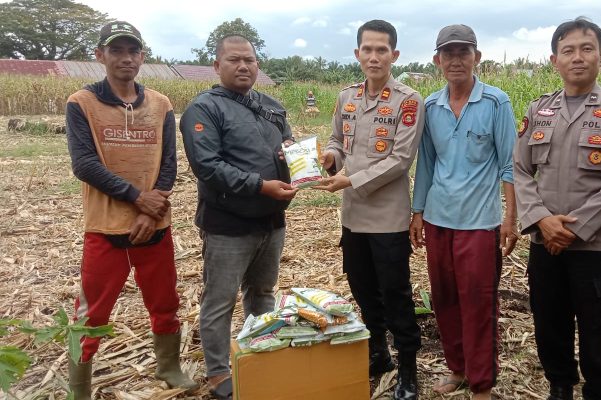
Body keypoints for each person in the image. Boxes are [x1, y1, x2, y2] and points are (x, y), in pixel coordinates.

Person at [65, 21, 198, 399]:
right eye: (117, 51)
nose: (126, 58)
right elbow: (85, 165)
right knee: (91, 312)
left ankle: (169, 366)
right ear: (100, 55)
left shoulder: (159, 104)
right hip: (106, 227)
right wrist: (137, 198)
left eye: (132, 51)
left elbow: (168, 162)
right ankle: (80, 388)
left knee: (165, 300)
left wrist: (151, 209)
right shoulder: (82, 103)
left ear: (142, 56)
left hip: (154, 224)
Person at [514, 17, 601, 400]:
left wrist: (571, 228)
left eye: (587, 49)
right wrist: (541, 219)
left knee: (597, 331)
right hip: (545, 245)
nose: (578, 57)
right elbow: (520, 169)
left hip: (596, 248)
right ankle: (560, 386)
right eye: (567, 50)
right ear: (554, 60)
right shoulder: (539, 110)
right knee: (549, 323)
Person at [179, 35, 298, 400]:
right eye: (234, 60)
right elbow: (208, 166)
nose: (244, 66)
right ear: (217, 66)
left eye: (250, 59)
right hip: (228, 223)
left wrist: (299, 158)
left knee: (262, 292)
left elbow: (288, 144)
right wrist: (261, 186)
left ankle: (258, 351)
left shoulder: (271, 105)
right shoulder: (204, 109)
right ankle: (218, 371)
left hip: (271, 221)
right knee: (220, 299)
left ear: (257, 64)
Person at [315, 19, 424, 400]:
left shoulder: (408, 100)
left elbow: (399, 159)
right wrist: (330, 158)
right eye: (368, 49)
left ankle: (408, 366)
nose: (374, 56)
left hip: (388, 218)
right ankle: (379, 351)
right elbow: (336, 141)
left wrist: (349, 179)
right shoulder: (347, 97)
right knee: (361, 287)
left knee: (395, 292)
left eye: (382, 50)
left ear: (394, 55)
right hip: (353, 217)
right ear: (357, 53)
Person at [409, 24, 518, 400]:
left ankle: (482, 382)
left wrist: (511, 219)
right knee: (445, 298)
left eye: (464, 52)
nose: (456, 60)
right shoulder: (431, 106)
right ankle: (457, 368)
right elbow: (426, 163)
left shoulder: (495, 102)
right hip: (439, 219)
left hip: (480, 223)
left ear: (477, 57)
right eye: (449, 54)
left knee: (479, 301)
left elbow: (509, 165)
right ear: (437, 60)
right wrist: (417, 212)